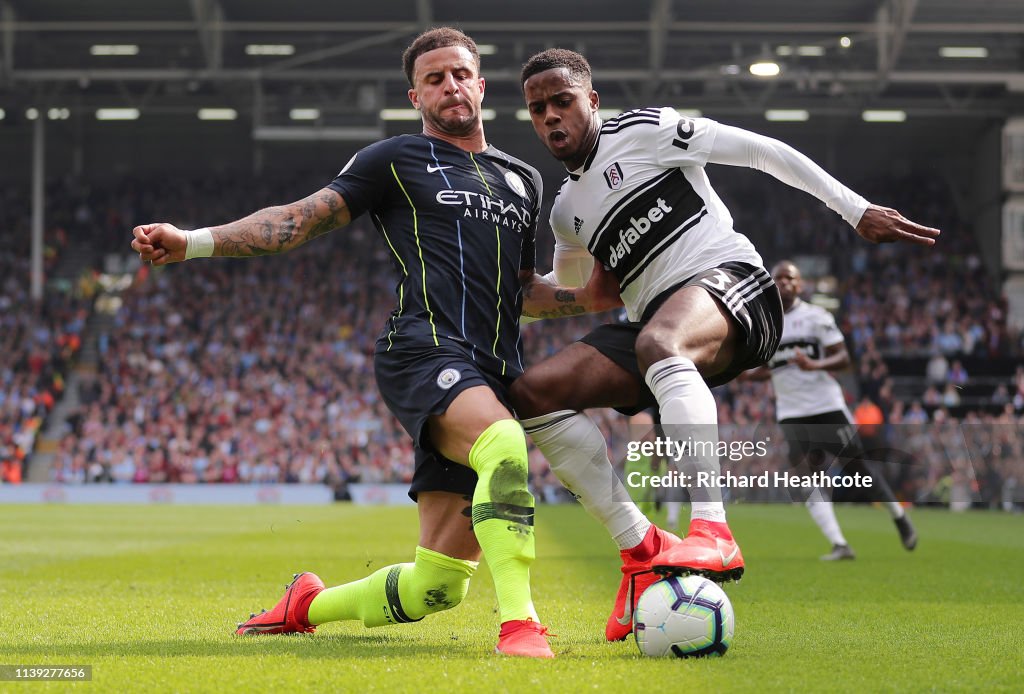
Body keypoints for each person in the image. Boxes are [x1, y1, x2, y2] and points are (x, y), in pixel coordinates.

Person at [131, 28, 621, 659]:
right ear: (414, 95)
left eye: (459, 74)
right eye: (434, 79)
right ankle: (521, 625)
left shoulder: (524, 180)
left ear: (480, 84)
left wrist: (596, 296)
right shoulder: (394, 159)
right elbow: (300, 219)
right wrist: (194, 241)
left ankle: (307, 604)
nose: (449, 86)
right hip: (423, 350)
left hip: (496, 368)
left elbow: (524, 290)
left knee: (436, 588)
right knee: (503, 442)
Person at [510, 48, 939, 641]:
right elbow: (589, 292)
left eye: (563, 101)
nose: (552, 116)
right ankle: (638, 549)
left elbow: (761, 151)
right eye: (538, 109)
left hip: (736, 288)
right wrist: (513, 297)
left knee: (661, 342)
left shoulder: (645, 131)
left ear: (592, 100)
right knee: (532, 393)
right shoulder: (565, 212)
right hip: (659, 325)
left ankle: (712, 528)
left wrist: (854, 208)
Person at [743, 261, 917, 560]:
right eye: (779, 278)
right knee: (803, 477)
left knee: (857, 470)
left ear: (800, 285)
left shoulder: (816, 316)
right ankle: (839, 543)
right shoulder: (765, 324)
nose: (784, 282)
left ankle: (899, 518)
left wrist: (814, 365)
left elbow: (842, 357)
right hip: (791, 411)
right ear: (771, 284)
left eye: (790, 278)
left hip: (826, 405)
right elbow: (761, 370)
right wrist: (753, 370)